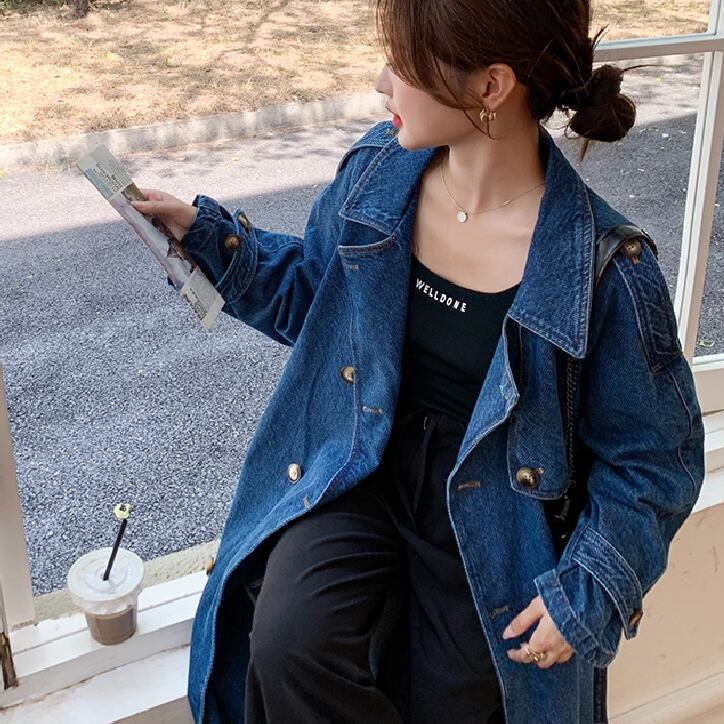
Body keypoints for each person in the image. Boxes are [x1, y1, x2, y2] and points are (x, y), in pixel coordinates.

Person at [131, 1, 705, 722]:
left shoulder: (604, 272)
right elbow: (317, 298)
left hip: (494, 511)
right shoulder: (379, 173)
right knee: (287, 647)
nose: (381, 82)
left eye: (403, 65)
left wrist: (592, 586)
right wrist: (207, 238)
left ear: (491, 86)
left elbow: (655, 462)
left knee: (451, 700)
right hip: (361, 463)